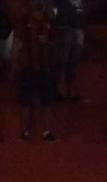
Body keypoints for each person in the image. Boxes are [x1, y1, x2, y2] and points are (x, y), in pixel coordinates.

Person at [12, 0, 57, 142]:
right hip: (28, 66)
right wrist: (14, 65)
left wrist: (47, 43)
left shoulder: (48, 20)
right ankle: (24, 132)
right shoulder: (24, 20)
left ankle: (47, 131)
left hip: (45, 67)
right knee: (25, 101)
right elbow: (17, 43)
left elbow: (54, 43)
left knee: (47, 101)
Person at [54, 0, 85, 102]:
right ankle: (57, 90)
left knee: (73, 61)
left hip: (78, 28)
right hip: (66, 28)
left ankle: (70, 91)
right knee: (62, 61)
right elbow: (54, 8)